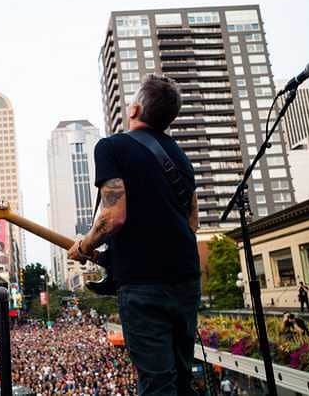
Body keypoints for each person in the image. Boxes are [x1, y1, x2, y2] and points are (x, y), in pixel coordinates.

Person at [68, 74, 200, 395]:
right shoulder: (181, 158)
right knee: (182, 379)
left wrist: (84, 245)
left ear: (136, 108)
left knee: (157, 383)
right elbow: (191, 223)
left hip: (143, 287)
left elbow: (114, 216)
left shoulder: (111, 147)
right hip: (186, 280)